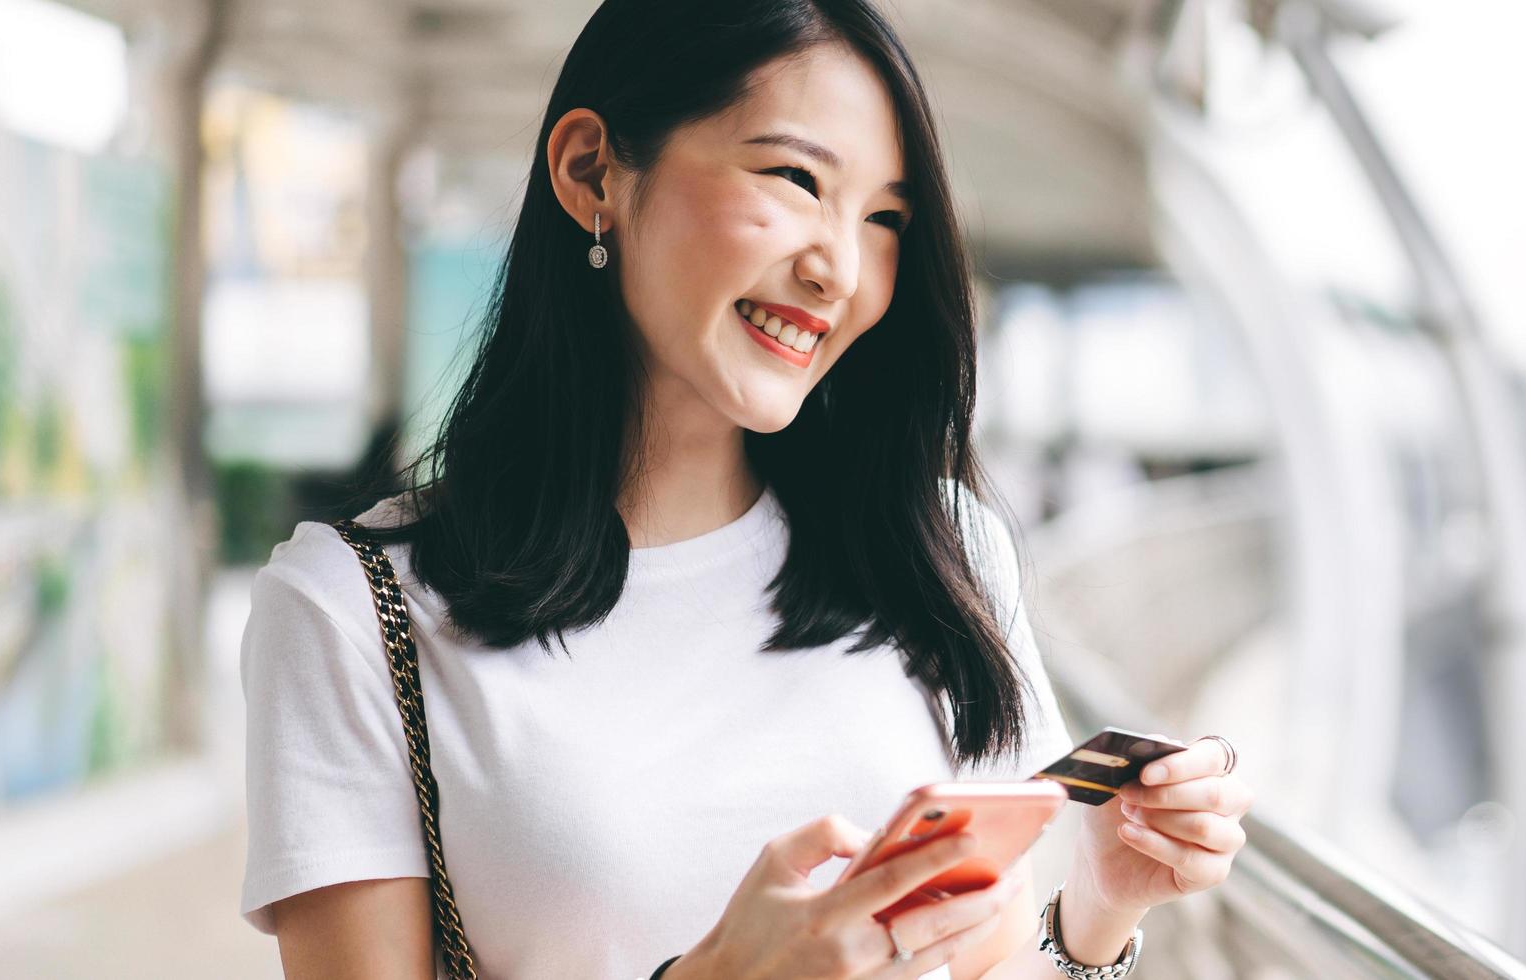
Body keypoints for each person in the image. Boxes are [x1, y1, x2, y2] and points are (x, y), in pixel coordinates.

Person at [235, 1, 1251, 976]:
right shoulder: (352, 611)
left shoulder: (943, 552)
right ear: (592, 169)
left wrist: (1096, 912)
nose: (840, 269)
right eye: (795, 180)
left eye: (885, 218)